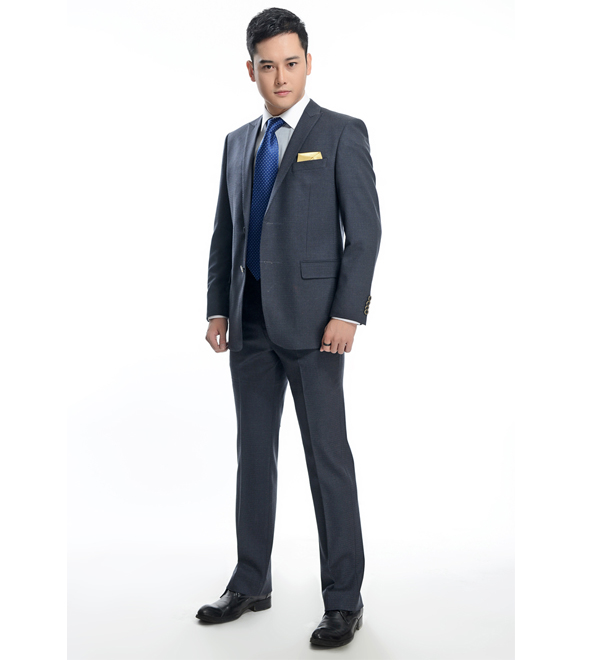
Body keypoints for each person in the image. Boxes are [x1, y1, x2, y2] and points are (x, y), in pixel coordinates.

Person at [196, 7, 381, 648]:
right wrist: (218, 308)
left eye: (291, 63)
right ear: (250, 70)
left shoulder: (341, 133)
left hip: (316, 326)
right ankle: (251, 581)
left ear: (308, 63)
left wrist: (347, 312)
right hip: (248, 324)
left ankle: (344, 599)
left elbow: (366, 234)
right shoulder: (237, 141)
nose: (281, 77)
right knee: (253, 455)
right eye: (268, 66)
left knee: (328, 459)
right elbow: (225, 231)